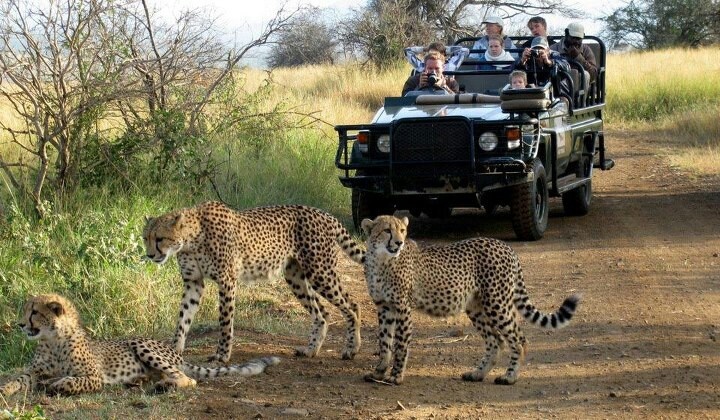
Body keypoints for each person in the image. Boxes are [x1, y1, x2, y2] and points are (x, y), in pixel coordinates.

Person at [515, 36, 572, 102]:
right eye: (535, 49)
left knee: (563, 101)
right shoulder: (528, 58)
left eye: (541, 49)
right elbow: (512, 72)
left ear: (547, 50)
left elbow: (567, 66)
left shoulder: (554, 55)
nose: (538, 52)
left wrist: (550, 62)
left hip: (555, 93)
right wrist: (522, 62)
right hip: (532, 95)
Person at [404, 42, 470, 73]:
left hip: (445, 92)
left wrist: (446, 49)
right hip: (426, 91)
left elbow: (465, 51)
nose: (432, 57)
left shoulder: (450, 65)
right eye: (430, 54)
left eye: (436, 54)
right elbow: (407, 51)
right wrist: (425, 49)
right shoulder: (423, 66)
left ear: (443, 54)